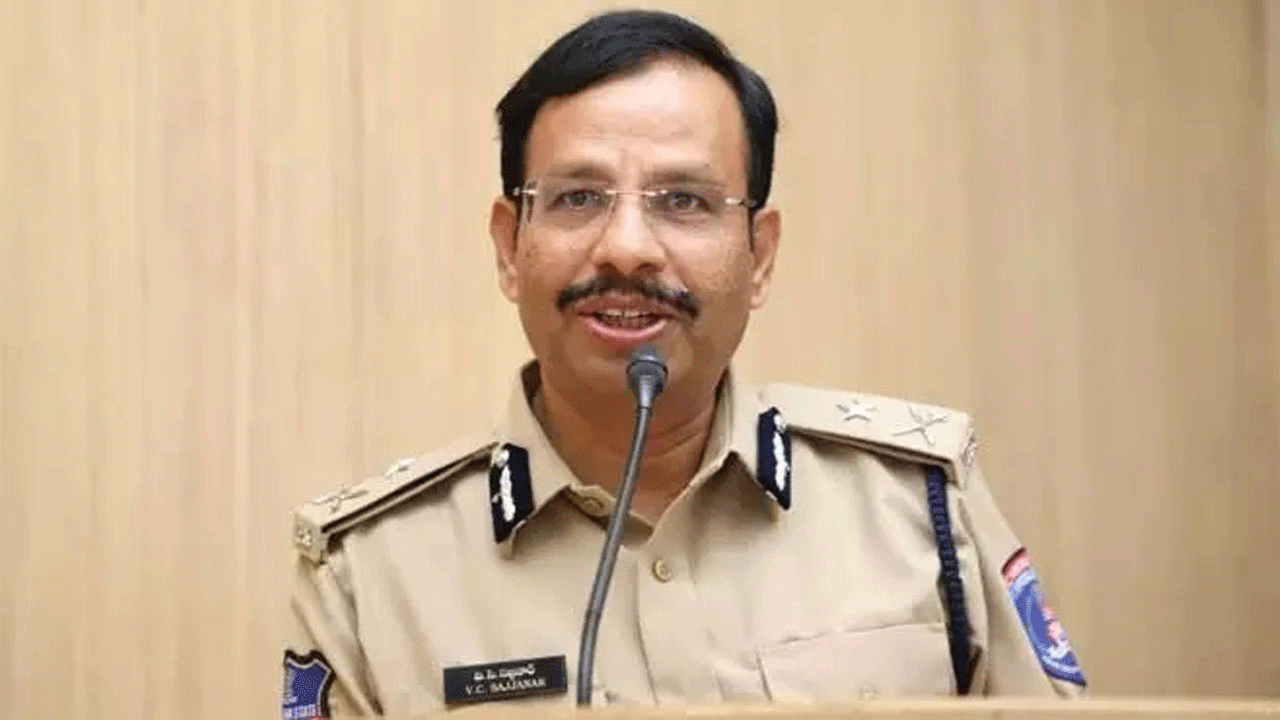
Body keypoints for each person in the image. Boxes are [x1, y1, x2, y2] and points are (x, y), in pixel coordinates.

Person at [281, 8, 1088, 719]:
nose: (627, 247)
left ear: (759, 256)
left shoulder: (919, 506)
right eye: (577, 198)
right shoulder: (370, 573)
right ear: (508, 248)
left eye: (684, 201)